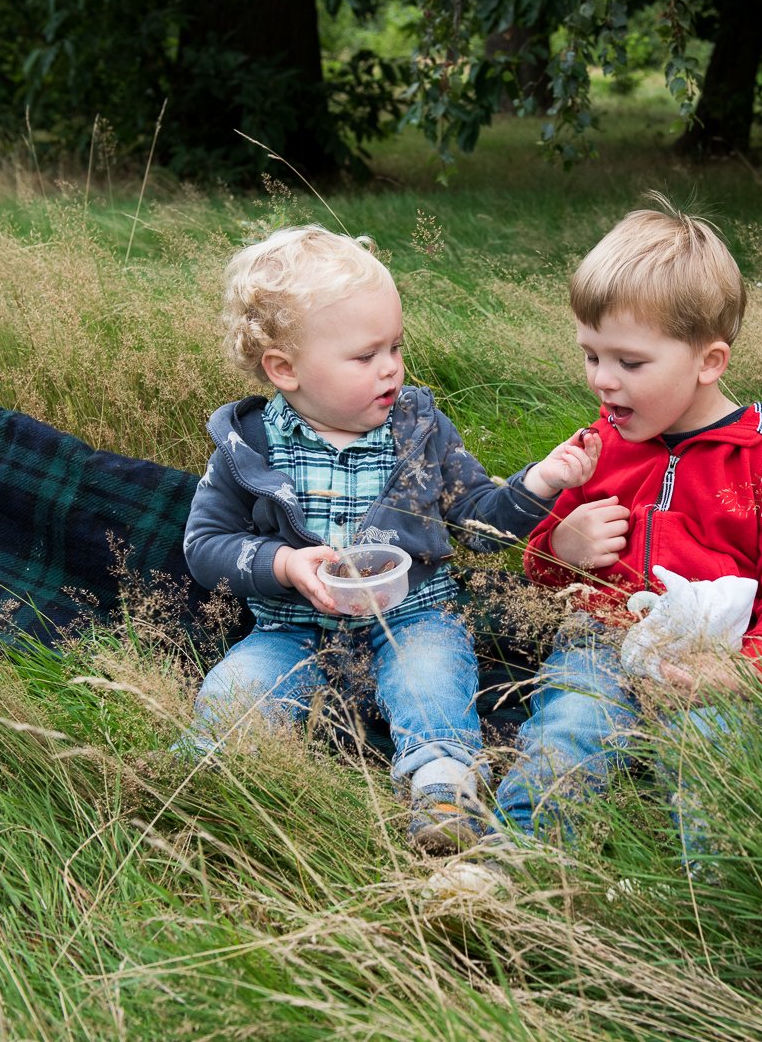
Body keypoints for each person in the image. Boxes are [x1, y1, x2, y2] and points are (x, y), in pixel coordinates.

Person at [182, 225, 597, 854]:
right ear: (285, 369)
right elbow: (205, 544)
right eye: (365, 356)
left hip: (411, 614)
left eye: (395, 347)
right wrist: (286, 564)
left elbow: (477, 519)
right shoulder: (251, 451)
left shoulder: (419, 431)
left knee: (431, 673)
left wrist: (539, 482)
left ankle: (442, 790)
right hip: (288, 627)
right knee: (236, 693)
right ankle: (202, 791)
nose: (391, 368)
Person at [491, 196, 762, 845]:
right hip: (600, 638)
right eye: (592, 356)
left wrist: (748, 668)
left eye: (630, 363)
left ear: (709, 362)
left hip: (712, 652)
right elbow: (543, 564)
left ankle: (714, 894)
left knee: (712, 755)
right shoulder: (601, 441)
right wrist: (560, 542)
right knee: (568, 729)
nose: (603, 382)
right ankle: (517, 856)